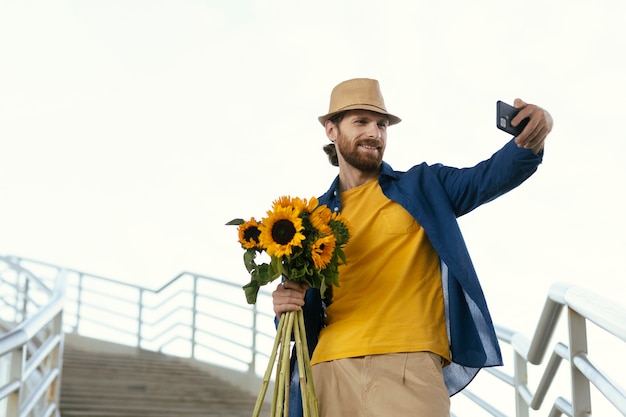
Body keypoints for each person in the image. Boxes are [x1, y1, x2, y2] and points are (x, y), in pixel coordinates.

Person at [272, 78, 553, 416]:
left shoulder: (423, 186)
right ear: (332, 131)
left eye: (381, 124)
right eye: (361, 122)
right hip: (329, 369)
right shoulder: (307, 221)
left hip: (409, 366)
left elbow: (489, 176)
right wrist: (285, 303)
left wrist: (532, 139)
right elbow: (300, 318)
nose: (375, 133)